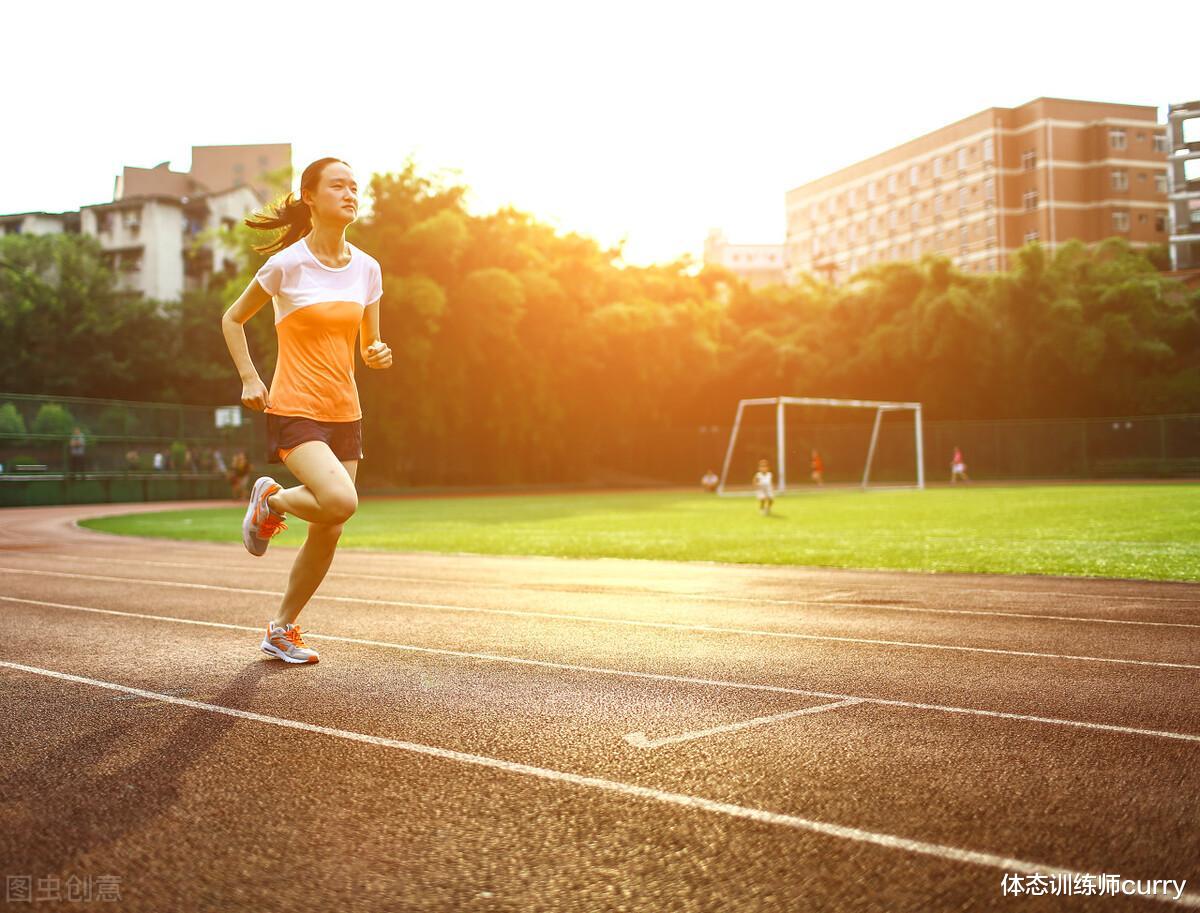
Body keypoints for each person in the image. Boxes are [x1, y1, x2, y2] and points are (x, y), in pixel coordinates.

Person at [221, 157, 391, 665]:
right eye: (338, 185)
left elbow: (370, 344)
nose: (350, 193)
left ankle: (282, 627)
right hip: (295, 406)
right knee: (341, 501)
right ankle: (269, 503)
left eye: (354, 187)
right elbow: (232, 319)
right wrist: (251, 377)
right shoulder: (287, 265)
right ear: (311, 197)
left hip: (346, 411)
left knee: (330, 525)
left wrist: (378, 353)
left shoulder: (367, 268)